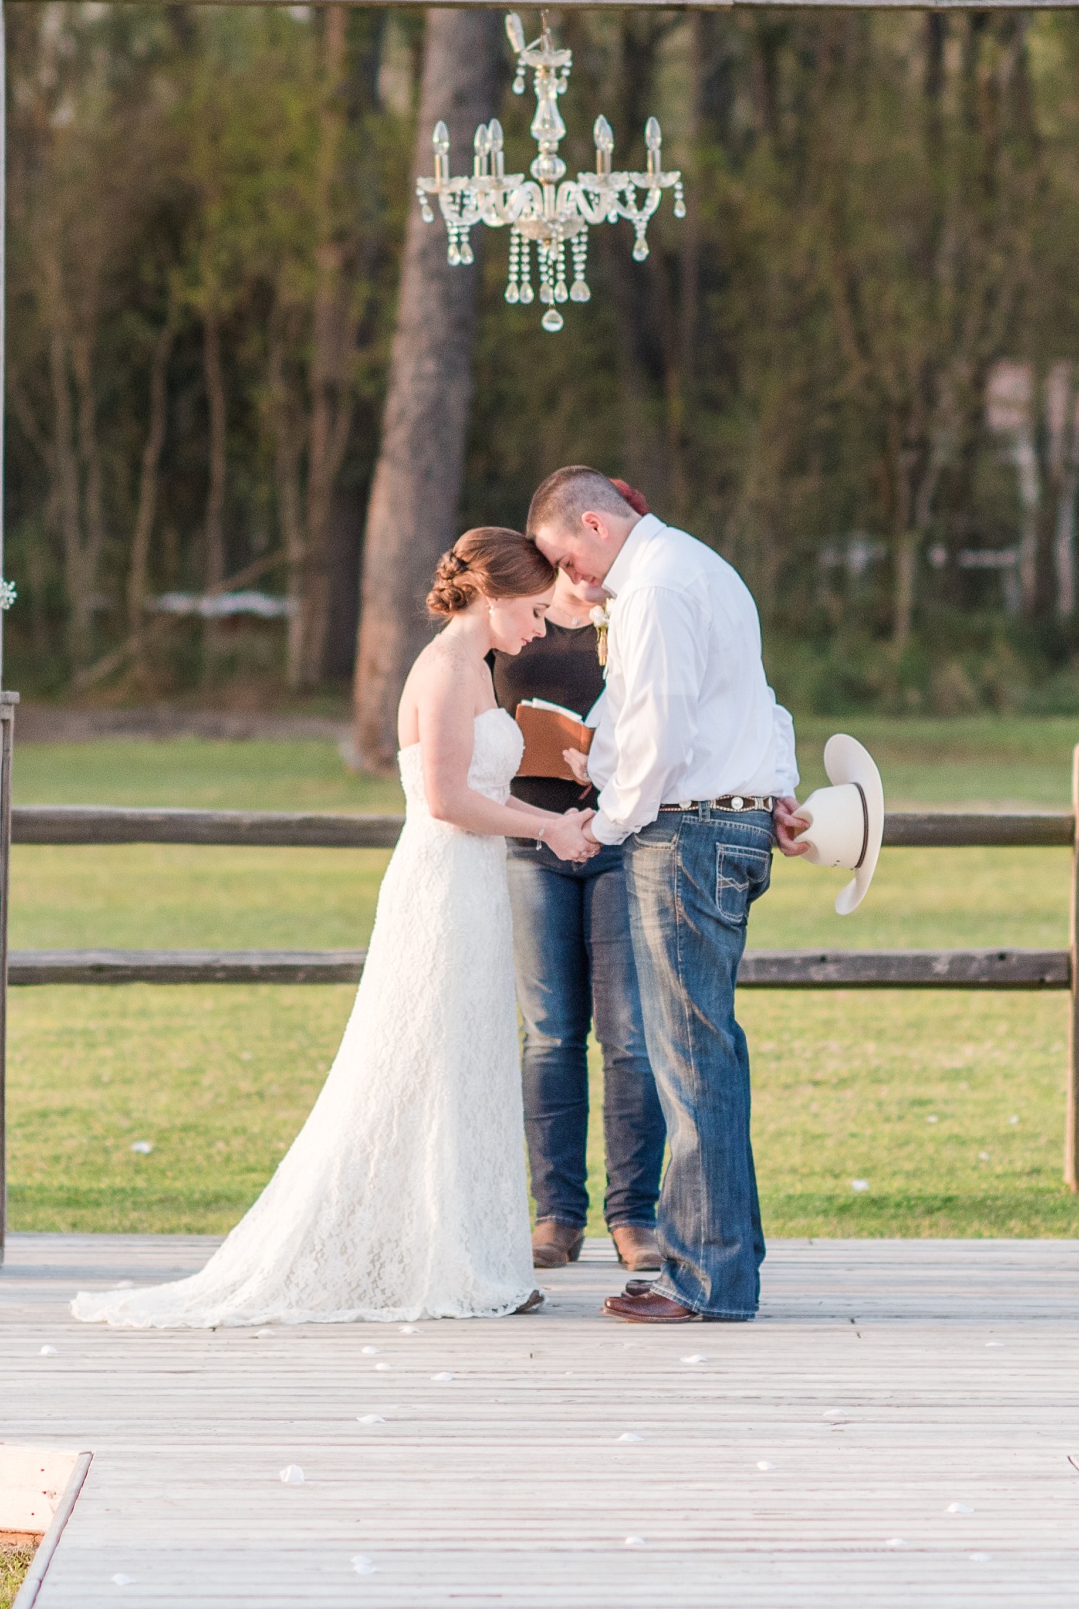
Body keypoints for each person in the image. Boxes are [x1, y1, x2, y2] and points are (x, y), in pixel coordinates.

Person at [70, 527, 593, 1327]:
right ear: (490, 598)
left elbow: (477, 791)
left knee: (464, 1059)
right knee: (428, 1057)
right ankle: (432, 1258)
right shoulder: (449, 670)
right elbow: (448, 801)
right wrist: (547, 830)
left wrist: (551, 814)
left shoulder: (477, 670)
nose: (542, 626)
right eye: (530, 609)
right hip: (445, 884)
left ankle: (468, 1251)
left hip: (475, 882)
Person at [528, 468, 809, 1327]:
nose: (571, 581)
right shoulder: (697, 567)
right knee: (706, 1052)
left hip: (685, 836)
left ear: (592, 524)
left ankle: (706, 1283)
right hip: (727, 822)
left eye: (566, 559)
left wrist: (607, 821)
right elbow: (754, 704)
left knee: (690, 1059)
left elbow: (659, 726)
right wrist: (774, 796)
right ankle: (726, 1266)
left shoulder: (653, 586)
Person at [494, 501, 661, 1276]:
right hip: (532, 838)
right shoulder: (520, 622)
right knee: (552, 1033)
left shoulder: (640, 616)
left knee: (629, 1036)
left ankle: (635, 1214)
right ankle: (556, 1212)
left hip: (625, 845)